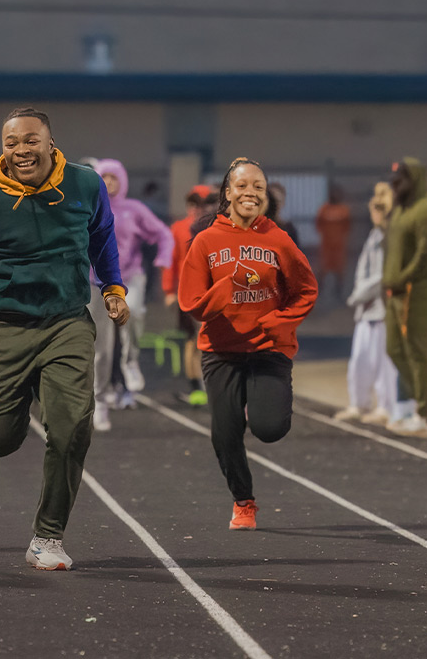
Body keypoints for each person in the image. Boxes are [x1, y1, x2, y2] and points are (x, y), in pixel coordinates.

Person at [0, 107, 129, 571]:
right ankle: (8, 400)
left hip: (66, 321)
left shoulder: (86, 184)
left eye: (30, 141)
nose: (21, 151)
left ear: (51, 142)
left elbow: (102, 238)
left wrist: (112, 286)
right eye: (11, 143)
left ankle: (48, 535)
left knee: (73, 424)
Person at [178, 157, 318, 531]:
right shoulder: (206, 240)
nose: (250, 193)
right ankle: (244, 501)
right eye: (242, 186)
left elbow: (306, 289)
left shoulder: (278, 239)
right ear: (227, 194)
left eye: (258, 187)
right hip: (221, 351)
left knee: (269, 428)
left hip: (268, 348)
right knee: (224, 432)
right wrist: (220, 294)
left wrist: (280, 321)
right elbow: (190, 301)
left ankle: (255, 405)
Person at [87, 158, 174, 430]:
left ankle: (131, 362)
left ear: (123, 180)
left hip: (130, 276)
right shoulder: (89, 208)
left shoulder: (134, 210)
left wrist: (164, 257)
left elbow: (163, 234)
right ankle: (100, 401)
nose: (110, 183)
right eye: (105, 177)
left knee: (133, 311)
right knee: (100, 346)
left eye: (114, 177)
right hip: (97, 282)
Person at [384, 158, 427, 434]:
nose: (396, 186)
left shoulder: (426, 210)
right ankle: (425, 401)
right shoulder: (400, 210)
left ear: (415, 180)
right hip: (395, 290)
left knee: (418, 350)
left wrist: (402, 277)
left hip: (418, 289)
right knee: (394, 349)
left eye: (401, 181)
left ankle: (425, 412)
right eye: (395, 181)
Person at [336, 182, 401, 424]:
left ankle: (385, 405)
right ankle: (359, 402)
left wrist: (358, 294)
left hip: (381, 308)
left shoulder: (388, 237)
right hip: (367, 309)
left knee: (384, 362)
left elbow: (383, 274)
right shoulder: (375, 234)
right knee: (360, 360)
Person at [163, 184, 217, 407]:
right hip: (187, 293)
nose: (198, 208)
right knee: (191, 341)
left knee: (214, 341)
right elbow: (171, 260)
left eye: (204, 203)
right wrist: (168, 290)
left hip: (214, 293)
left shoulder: (218, 228)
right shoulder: (178, 229)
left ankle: (214, 386)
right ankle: (196, 388)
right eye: (193, 203)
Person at [315, 184, 351, 303]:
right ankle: (319, 290)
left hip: (339, 246)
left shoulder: (344, 210)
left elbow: (347, 225)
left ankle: (338, 291)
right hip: (326, 245)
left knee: (339, 269)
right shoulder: (324, 209)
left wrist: (341, 237)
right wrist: (325, 235)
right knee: (323, 268)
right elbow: (318, 223)